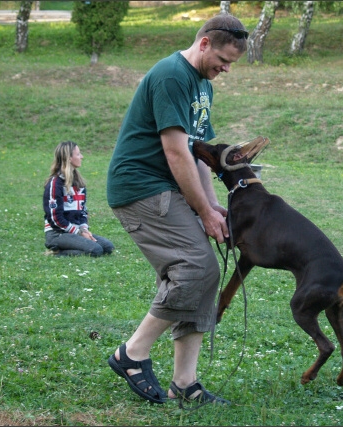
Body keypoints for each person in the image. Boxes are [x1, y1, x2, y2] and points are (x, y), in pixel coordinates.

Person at [106, 14, 248, 405]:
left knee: (204, 271)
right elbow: (174, 151)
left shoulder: (203, 85)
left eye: (231, 63)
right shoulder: (172, 75)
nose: (225, 69)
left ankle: (184, 384)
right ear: (204, 43)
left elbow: (199, 156)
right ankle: (132, 353)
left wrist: (214, 206)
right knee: (196, 268)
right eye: (223, 59)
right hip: (141, 187)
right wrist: (202, 211)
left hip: (168, 187)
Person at [43, 141, 114, 257]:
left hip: (75, 232)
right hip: (57, 233)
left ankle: (73, 246)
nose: (82, 157)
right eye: (78, 154)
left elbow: (82, 211)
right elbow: (55, 218)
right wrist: (79, 232)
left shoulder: (78, 184)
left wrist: (84, 229)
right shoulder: (55, 184)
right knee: (96, 250)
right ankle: (56, 252)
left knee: (107, 247)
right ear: (69, 158)